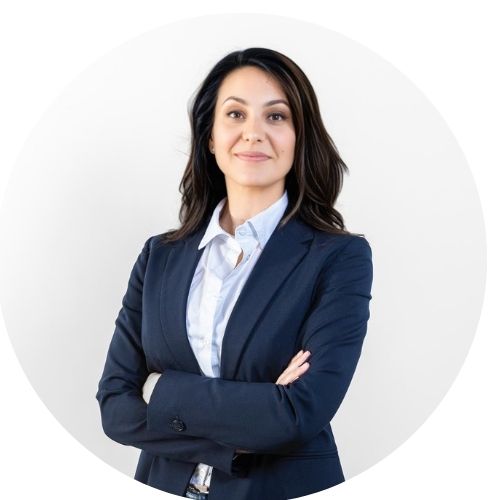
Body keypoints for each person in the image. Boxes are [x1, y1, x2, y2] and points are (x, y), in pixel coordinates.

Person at [95, 47, 373, 500]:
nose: (254, 132)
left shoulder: (339, 258)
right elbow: (116, 407)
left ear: (299, 137)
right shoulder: (160, 256)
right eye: (235, 114)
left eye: (276, 116)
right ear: (210, 136)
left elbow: (299, 414)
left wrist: (161, 390)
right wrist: (250, 418)